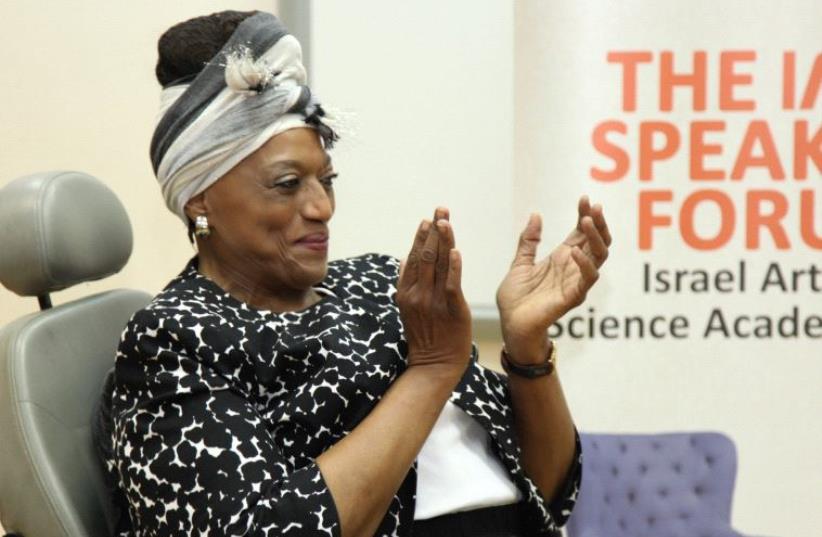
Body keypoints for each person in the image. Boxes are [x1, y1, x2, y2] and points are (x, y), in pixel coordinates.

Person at [95, 10, 612, 537]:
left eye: (327, 180)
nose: (322, 208)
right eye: (287, 183)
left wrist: (526, 349)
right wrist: (430, 372)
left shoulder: (380, 285)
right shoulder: (173, 338)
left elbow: (549, 492)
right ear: (200, 199)